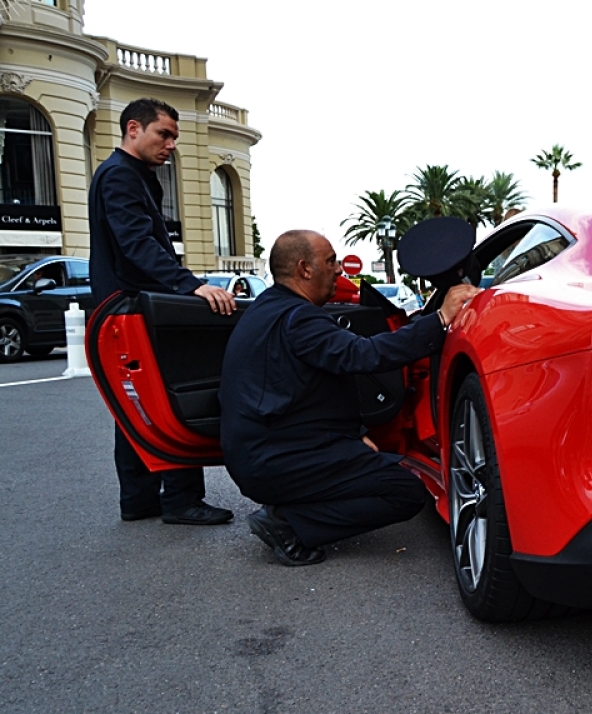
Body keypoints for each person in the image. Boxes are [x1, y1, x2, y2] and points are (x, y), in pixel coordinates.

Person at [219, 229, 480, 566]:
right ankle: (289, 525)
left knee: (377, 467)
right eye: (330, 261)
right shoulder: (299, 320)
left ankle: (290, 507)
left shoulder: (268, 309)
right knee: (405, 491)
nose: (339, 269)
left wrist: (355, 435)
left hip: (264, 452)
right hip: (277, 459)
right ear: (305, 269)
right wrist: (441, 318)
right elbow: (363, 355)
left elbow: (312, 385)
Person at [89, 97, 236, 526]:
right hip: (133, 307)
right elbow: (137, 246)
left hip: (123, 306)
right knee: (167, 394)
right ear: (133, 128)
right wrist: (190, 285)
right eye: (163, 134)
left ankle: (138, 500)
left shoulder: (131, 175)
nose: (171, 144)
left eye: (173, 136)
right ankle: (180, 499)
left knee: (134, 403)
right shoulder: (120, 175)